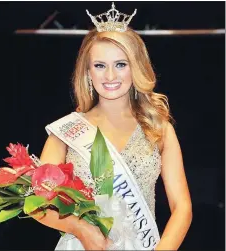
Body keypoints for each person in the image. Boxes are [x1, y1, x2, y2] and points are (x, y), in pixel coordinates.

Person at [32, 3, 192, 251]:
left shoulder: (159, 129)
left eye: (120, 64)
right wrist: (80, 229)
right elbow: (37, 203)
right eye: (99, 66)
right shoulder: (68, 131)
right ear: (88, 72)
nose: (109, 76)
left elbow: (182, 208)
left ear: (136, 67)